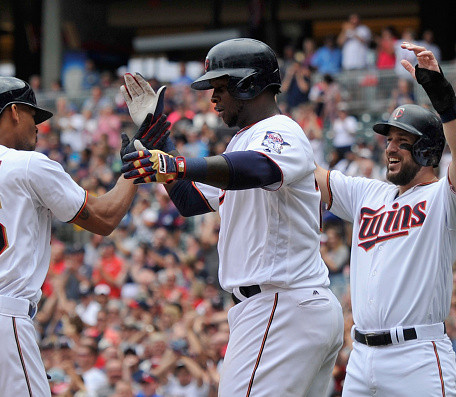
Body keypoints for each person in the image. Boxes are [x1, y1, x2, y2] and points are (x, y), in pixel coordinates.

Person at [121, 38, 344, 396]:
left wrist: (176, 164)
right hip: (287, 307)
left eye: (221, 87)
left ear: (249, 84)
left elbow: (258, 168)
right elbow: (190, 199)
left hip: (280, 306)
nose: (212, 98)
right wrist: (156, 133)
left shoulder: (281, 130)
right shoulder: (240, 144)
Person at [0, 75, 170, 397]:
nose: (38, 127)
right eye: (33, 115)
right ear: (14, 112)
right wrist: (138, 164)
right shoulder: (25, 163)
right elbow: (104, 218)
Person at [314, 42, 456, 396]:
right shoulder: (368, 194)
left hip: (417, 357)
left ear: (426, 151)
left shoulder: (444, 200)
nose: (389, 148)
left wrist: (439, 91)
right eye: (388, 139)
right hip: (360, 358)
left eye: (401, 141)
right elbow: (307, 173)